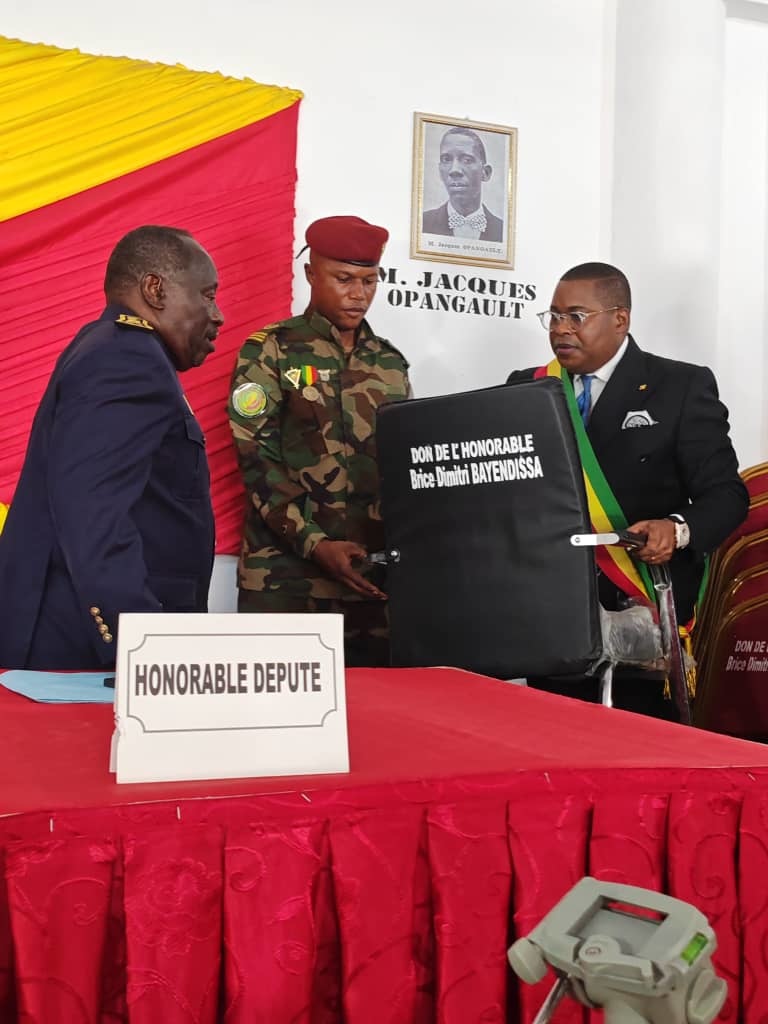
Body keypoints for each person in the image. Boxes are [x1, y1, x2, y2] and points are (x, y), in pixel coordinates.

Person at [506, 261, 749, 718]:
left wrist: (676, 530)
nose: (560, 329)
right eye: (553, 316)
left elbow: (726, 496)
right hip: (551, 618)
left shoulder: (679, 386)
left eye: (576, 316)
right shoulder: (527, 388)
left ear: (620, 319)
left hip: (639, 616)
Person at [0, 225, 224, 670]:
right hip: (82, 649)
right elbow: (94, 519)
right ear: (155, 289)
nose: (217, 315)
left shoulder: (115, 347)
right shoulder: (128, 360)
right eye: (207, 295)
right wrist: (142, 650)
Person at [228, 215, 410, 667]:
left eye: (370, 280)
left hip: (368, 582)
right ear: (311, 273)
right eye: (344, 279)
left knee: (376, 721)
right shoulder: (270, 350)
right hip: (284, 581)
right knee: (272, 723)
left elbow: (404, 464)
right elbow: (256, 457)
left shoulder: (391, 364)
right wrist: (314, 543)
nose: (358, 294)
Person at [422, 126, 504, 242]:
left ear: (485, 173)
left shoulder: (503, 231)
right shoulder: (422, 223)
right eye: (446, 159)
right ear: (440, 171)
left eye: (467, 160)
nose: (454, 170)